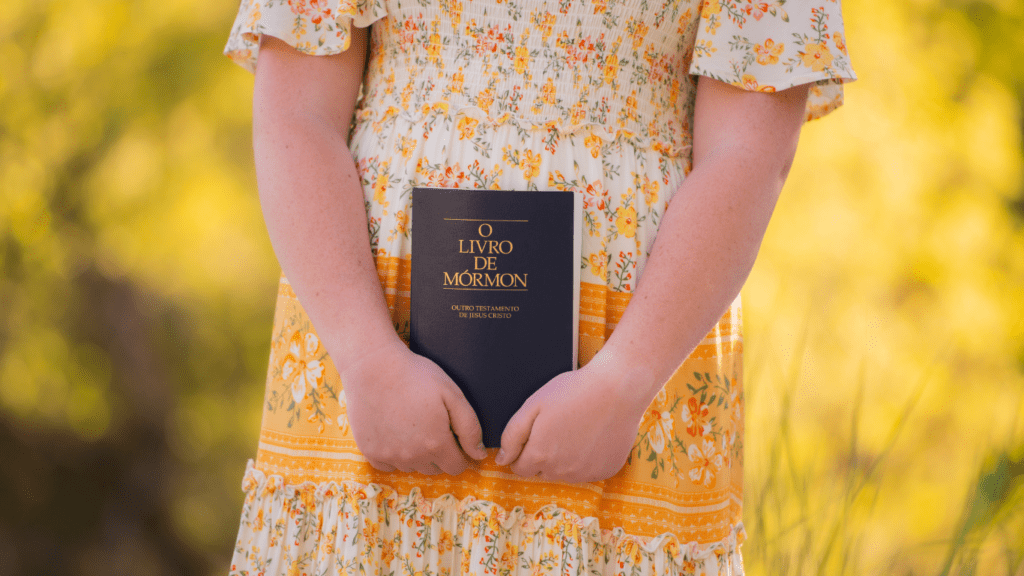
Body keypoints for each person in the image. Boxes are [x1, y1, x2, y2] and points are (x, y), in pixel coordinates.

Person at [222, 0, 856, 574]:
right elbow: (295, 113)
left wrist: (625, 379)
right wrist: (364, 355)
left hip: (636, 364)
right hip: (365, 347)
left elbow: (748, 155)